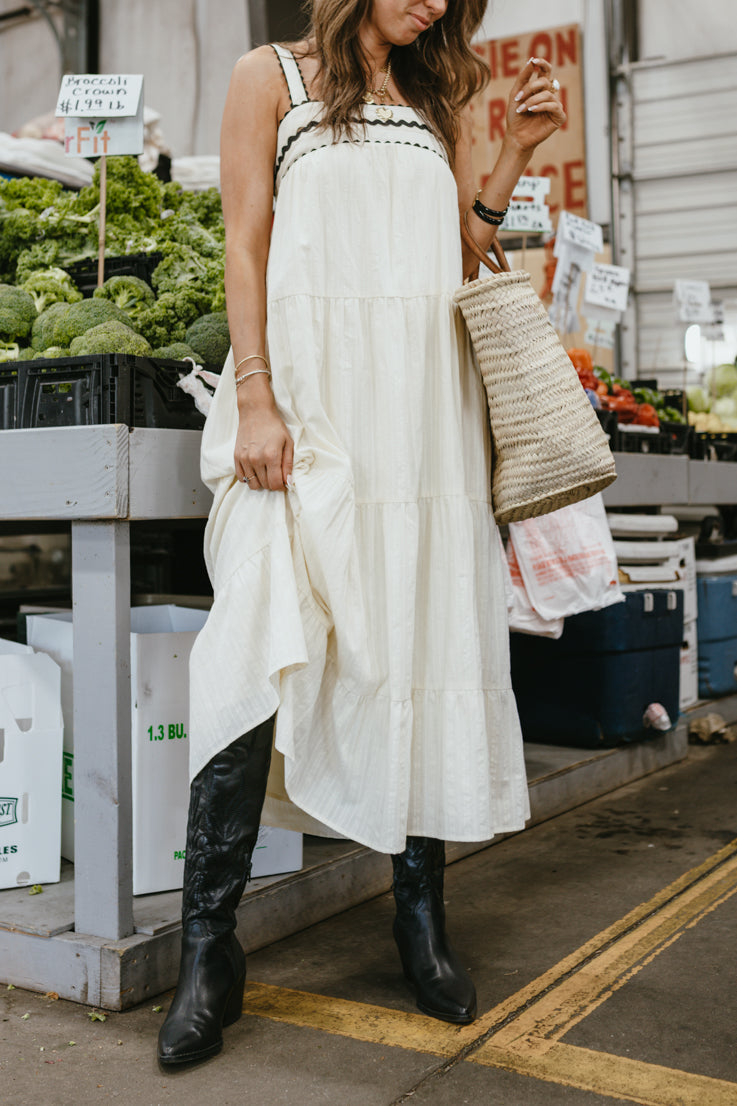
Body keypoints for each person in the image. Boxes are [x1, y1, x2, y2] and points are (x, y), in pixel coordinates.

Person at [158, 0, 565, 1067]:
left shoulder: (434, 94)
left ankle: (417, 915)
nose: (432, 3)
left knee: (419, 640)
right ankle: (211, 946)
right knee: (254, 639)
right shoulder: (269, 79)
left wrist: (510, 155)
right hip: (308, 408)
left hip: (421, 420)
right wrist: (254, 394)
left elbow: (456, 255)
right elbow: (243, 244)